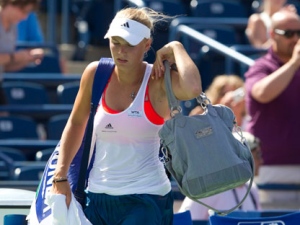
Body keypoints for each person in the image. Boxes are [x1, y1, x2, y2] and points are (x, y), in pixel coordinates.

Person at [50, 7, 202, 225]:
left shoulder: (158, 80)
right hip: (96, 197)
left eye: (130, 45)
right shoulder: (95, 73)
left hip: (147, 198)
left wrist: (176, 46)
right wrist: (60, 174)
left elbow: (193, 88)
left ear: (147, 45)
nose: (121, 51)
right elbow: (75, 123)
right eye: (116, 42)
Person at [244, 10, 300, 207]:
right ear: (272, 35)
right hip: (270, 170)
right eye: (288, 33)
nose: (295, 39)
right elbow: (262, 93)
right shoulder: (261, 67)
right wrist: (294, 63)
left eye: (299, 33)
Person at [178, 132, 263, 221]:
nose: (261, 161)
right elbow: (184, 222)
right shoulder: (208, 189)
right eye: (258, 155)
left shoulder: (252, 188)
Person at [0, 0, 44, 107]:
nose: (25, 17)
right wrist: (17, 56)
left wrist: (27, 58)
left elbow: (6, 66)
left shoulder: (13, 27)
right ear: (10, 4)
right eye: (23, 11)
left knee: (6, 119)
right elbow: (10, 58)